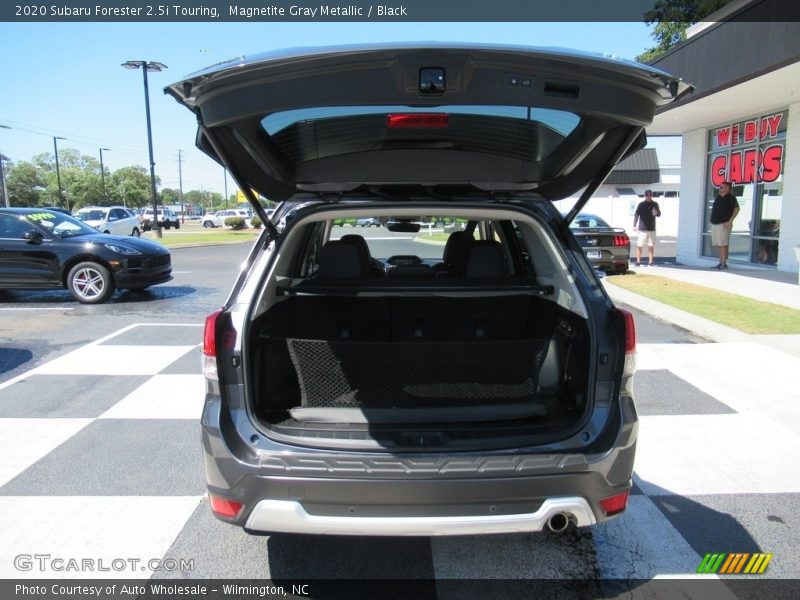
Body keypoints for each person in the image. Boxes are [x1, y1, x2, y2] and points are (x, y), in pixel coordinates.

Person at [709, 181, 740, 269]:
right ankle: (721, 262)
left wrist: (730, 221)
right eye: (720, 187)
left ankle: (723, 263)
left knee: (723, 244)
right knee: (718, 244)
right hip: (715, 223)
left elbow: (737, 209)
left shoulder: (731, 198)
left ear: (727, 188)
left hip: (724, 223)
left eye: (722, 187)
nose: (720, 189)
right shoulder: (718, 198)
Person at [633, 190, 661, 266]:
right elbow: (636, 215)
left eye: (650, 195)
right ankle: (638, 261)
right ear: (645, 196)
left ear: (652, 195)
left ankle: (650, 261)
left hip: (652, 228)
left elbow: (659, 214)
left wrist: (656, 213)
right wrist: (634, 225)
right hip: (642, 229)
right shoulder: (641, 204)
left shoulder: (655, 204)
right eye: (647, 195)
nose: (648, 196)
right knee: (639, 245)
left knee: (651, 245)